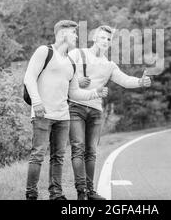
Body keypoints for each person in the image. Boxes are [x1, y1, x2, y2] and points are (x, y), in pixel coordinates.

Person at [24, 20, 108, 200]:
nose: (77, 37)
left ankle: (56, 194)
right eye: (74, 33)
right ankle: (31, 194)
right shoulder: (44, 52)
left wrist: (95, 93)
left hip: (63, 116)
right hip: (42, 113)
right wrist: (37, 102)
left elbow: (75, 93)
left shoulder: (70, 62)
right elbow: (29, 78)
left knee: (58, 157)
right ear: (63, 34)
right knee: (38, 154)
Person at [68, 25, 151, 200]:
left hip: (96, 111)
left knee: (91, 151)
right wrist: (76, 80)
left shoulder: (109, 65)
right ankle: (81, 192)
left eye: (109, 39)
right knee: (78, 149)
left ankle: (90, 192)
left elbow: (125, 80)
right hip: (76, 106)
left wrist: (141, 82)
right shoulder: (77, 54)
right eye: (103, 38)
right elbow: (64, 73)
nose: (106, 41)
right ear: (94, 38)